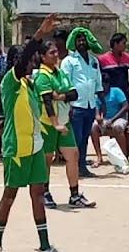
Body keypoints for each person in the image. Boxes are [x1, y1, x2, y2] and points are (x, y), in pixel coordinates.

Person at [0, 15, 70, 252]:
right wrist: (40, 34)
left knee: (37, 195)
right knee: (9, 195)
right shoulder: (10, 83)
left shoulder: (31, 84)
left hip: (35, 147)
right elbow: (23, 58)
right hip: (16, 148)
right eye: (29, 60)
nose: (32, 63)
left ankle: (45, 245)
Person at [33, 40, 95, 209]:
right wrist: (55, 124)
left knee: (73, 155)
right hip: (48, 124)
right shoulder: (42, 76)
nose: (56, 55)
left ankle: (75, 195)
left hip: (64, 121)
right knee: (46, 159)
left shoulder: (59, 73)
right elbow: (47, 101)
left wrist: (60, 96)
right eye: (51, 53)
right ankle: (44, 193)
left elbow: (74, 94)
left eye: (56, 52)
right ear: (43, 56)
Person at [61, 26, 105, 177]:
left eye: (83, 40)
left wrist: (102, 102)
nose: (81, 42)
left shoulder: (94, 61)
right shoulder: (69, 61)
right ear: (74, 42)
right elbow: (66, 83)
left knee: (85, 137)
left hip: (90, 105)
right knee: (76, 138)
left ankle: (82, 167)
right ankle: (74, 167)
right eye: (78, 40)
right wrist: (68, 106)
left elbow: (98, 82)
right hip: (76, 106)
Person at [98, 32, 129, 101]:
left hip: (125, 93)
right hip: (110, 95)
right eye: (123, 43)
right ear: (116, 44)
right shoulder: (102, 59)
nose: (125, 46)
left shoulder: (127, 58)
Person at [96, 84, 129, 159]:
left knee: (117, 127)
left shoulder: (116, 91)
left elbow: (126, 106)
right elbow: (97, 108)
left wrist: (112, 120)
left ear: (107, 84)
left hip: (119, 118)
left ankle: (123, 157)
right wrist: (97, 116)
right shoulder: (98, 94)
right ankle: (99, 156)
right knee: (93, 127)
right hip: (105, 119)